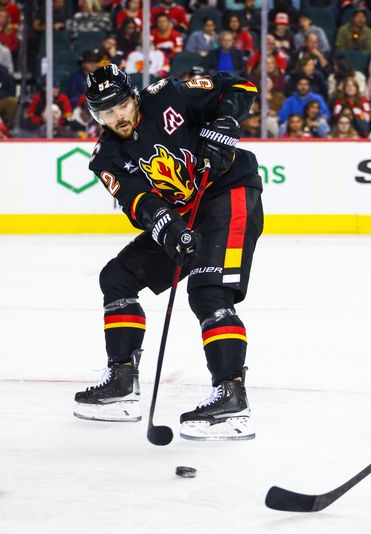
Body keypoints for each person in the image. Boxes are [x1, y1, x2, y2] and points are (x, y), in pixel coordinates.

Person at [74, 65, 263, 442]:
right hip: (182, 217)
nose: (118, 117)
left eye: (122, 106)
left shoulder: (169, 95)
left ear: (134, 96)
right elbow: (137, 202)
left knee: (209, 292)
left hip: (230, 193)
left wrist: (224, 123)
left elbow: (242, 86)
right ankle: (122, 381)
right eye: (106, 113)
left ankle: (231, 396)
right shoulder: (106, 156)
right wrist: (171, 229)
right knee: (117, 278)